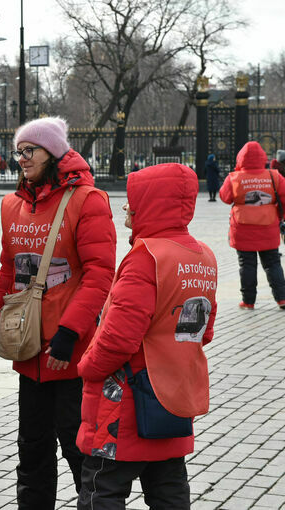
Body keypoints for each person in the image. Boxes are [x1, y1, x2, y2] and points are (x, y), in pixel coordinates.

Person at [0, 117, 117, 509]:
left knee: (78, 449)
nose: (21, 158)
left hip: (69, 353)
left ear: (52, 153)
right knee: (32, 451)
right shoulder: (12, 204)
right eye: (18, 151)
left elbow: (100, 273)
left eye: (29, 150)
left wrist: (71, 331)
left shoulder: (88, 201)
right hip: (30, 350)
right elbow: (9, 272)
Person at [76, 163, 218, 510]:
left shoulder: (146, 258)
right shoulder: (203, 256)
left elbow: (119, 339)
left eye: (133, 198)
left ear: (153, 203)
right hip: (172, 398)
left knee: (102, 490)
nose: (126, 205)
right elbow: (205, 331)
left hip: (125, 402)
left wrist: (87, 367)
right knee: (169, 490)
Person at [219, 141, 285, 309]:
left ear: (241, 159)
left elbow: (225, 197)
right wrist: (280, 214)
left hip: (242, 228)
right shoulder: (273, 176)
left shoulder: (234, 177)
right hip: (268, 227)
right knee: (273, 263)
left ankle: (248, 301)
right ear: (262, 157)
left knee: (246, 264)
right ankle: (282, 298)